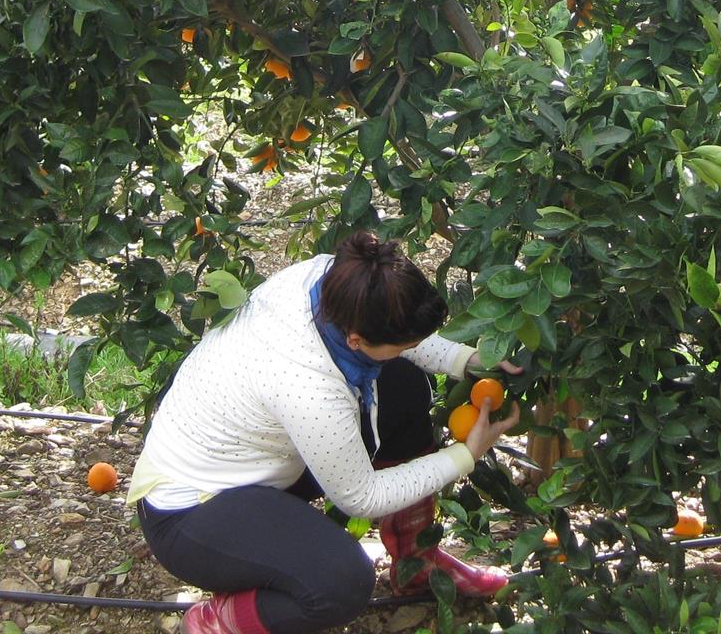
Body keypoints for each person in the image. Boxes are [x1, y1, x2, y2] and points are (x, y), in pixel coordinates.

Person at [130, 230, 522, 634]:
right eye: (403, 343)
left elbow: (399, 337)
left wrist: (469, 360)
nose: (411, 347)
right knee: (340, 584)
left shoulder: (335, 281)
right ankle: (216, 622)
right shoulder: (308, 385)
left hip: (257, 459)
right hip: (191, 515)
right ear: (355, 340)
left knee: (402, 384)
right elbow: (362, 497)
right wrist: (465, 454)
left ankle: (416, 563)